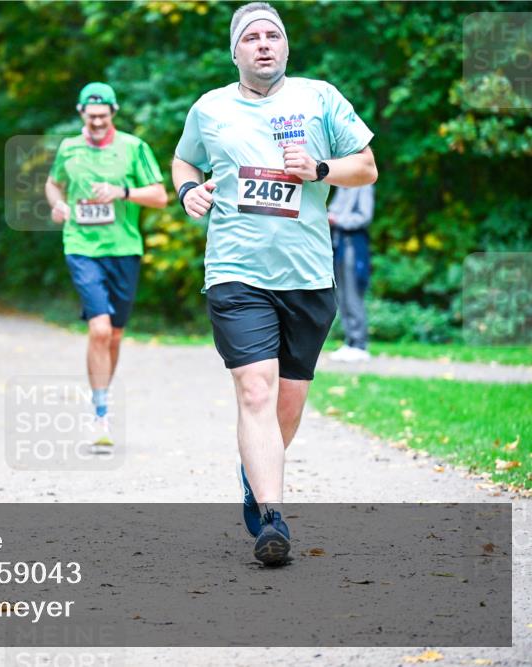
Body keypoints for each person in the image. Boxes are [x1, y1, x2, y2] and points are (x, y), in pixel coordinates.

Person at [171, 2, 377, 565]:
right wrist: (189, 191)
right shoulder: (210, 109)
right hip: (236, 272)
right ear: (235, 51)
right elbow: (183, 162)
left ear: (286, 47)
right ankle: (272, 517)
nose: (264, 44)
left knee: (287, 400)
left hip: (309, 276)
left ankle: (254, 473)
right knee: (255, 390)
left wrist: (320, 170)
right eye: (252, 37)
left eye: (273, 36)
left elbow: (366, 166)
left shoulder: (320, 98)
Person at [45, 82, 168, 445]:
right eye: (91, 116)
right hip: (81, 246)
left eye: (103, 116)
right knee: (98, 329)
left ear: (113, 112)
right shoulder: (68, 149)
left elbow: (160, 196)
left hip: (124, 248)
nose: (97, 122)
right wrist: (58, 204)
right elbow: (53, 185)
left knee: (114, 333)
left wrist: (123, 192)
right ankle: (100, 414)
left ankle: (102, 396)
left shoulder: (133, 147)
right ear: (81, 113)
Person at [328, 184, 375, 362]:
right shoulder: (343, 185)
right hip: (338, 245)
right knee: (342, 296)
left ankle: (359, 344)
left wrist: (337, 220)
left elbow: (364, 216)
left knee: (353, 295)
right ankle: (350, 342)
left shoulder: (364, 186)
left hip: (353, 246)